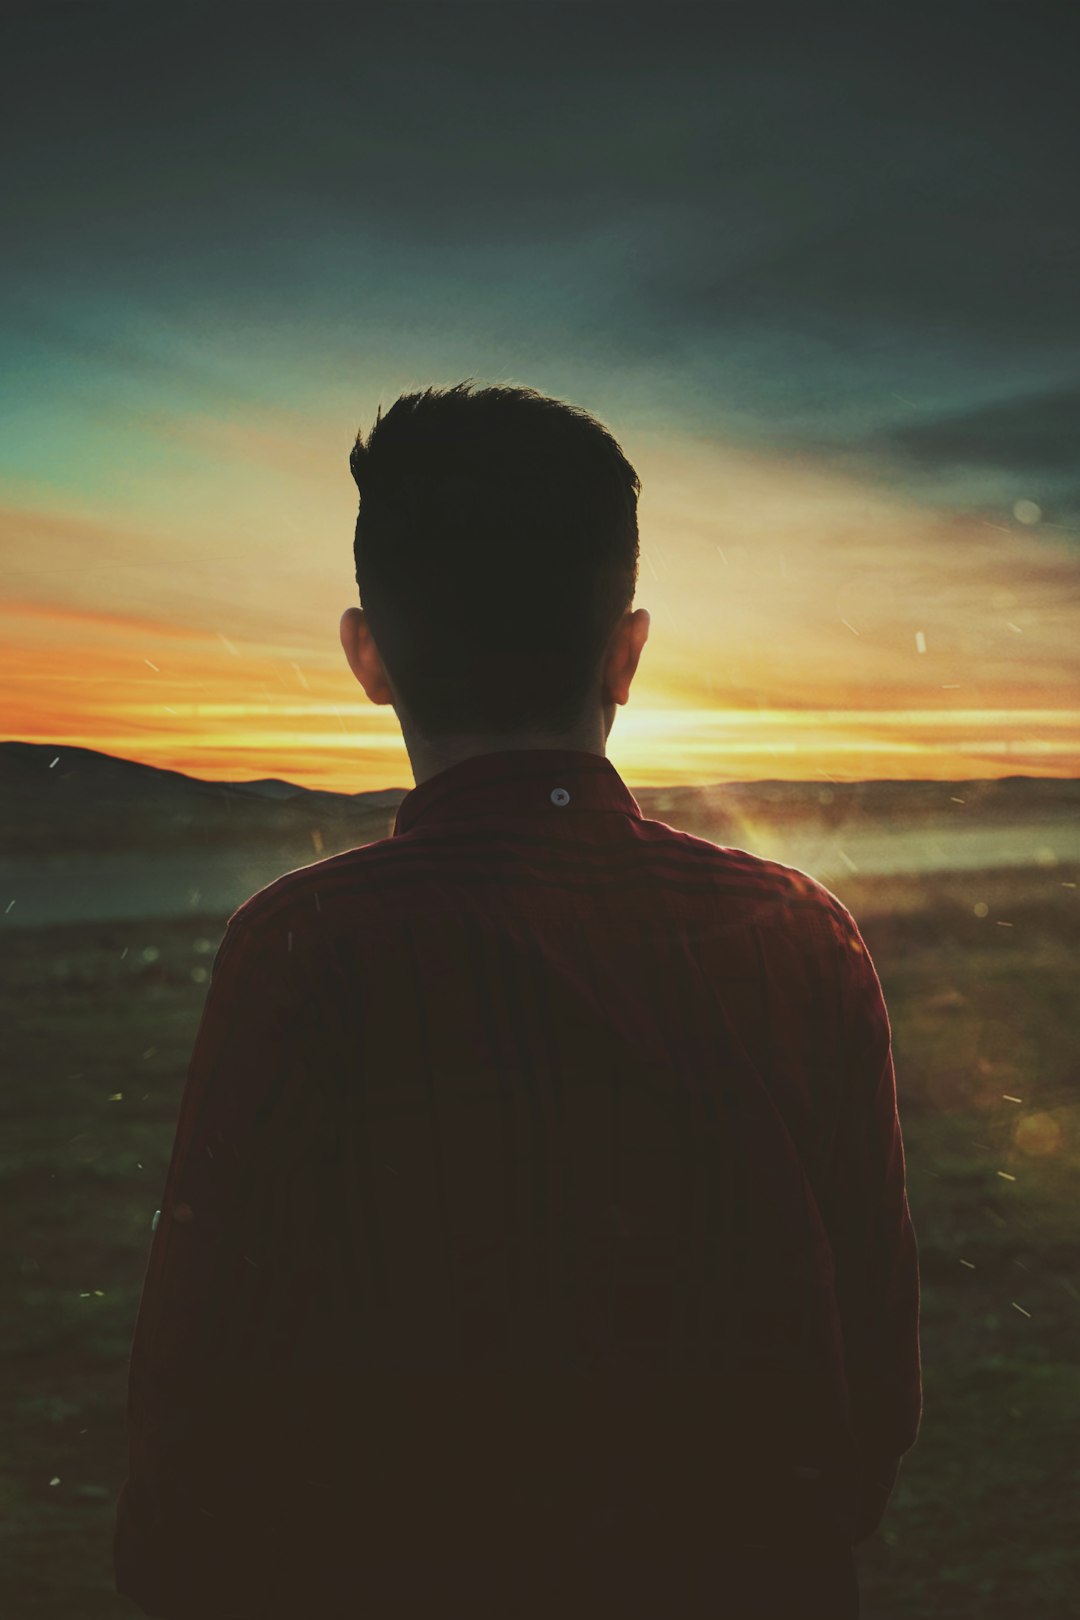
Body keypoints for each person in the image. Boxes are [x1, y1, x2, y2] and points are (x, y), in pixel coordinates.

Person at [113, 380, 921, 1618]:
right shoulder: (801, 937)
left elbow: (205, 1407)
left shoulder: (308, 948)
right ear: (627, 652)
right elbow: (868, 1386)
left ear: (367, 655)